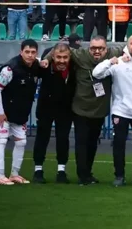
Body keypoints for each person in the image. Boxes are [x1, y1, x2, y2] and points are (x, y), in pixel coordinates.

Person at [53, 36, 123, 185]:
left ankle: (88, 173)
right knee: (81, 142)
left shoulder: (114, 52)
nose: (97, 51)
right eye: (93, 48)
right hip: (81, 108)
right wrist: (46, 60)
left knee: (92, 143)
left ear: (106, 48)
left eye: (100, 48)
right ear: (88, 48)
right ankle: (82, 175)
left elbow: (131, 47)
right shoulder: (80, 54)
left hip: (99, 110)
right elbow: (55, 49)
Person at [92, 34, 132, 186]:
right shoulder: (118, 63)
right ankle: (119, 176)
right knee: (119, 144)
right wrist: (111, 61)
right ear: (128, 45)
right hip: (121, 112)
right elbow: (96, 73)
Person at [0, 40, 47, 185]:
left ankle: (15, 174)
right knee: (2, 140)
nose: (30, 55)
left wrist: (43, 62)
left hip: (20, 112)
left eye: (33, 52)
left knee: (21, 142)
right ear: (21, 52)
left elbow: (42, 63)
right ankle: (0, 176)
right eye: (27, 52)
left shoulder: (35, 66)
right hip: (3, 112)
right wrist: (0, 112)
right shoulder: (10, 69)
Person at [32, 43, 74, 184]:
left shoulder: (74, 66)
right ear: (53, 56)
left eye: (65, 57)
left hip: (66, 109)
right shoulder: (44, 66)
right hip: (45, 108)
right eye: (58, 57)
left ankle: (61, 171)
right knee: (42, 138)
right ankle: (38, 170)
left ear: (70, 57)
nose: (62, 61)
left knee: (63, 139)